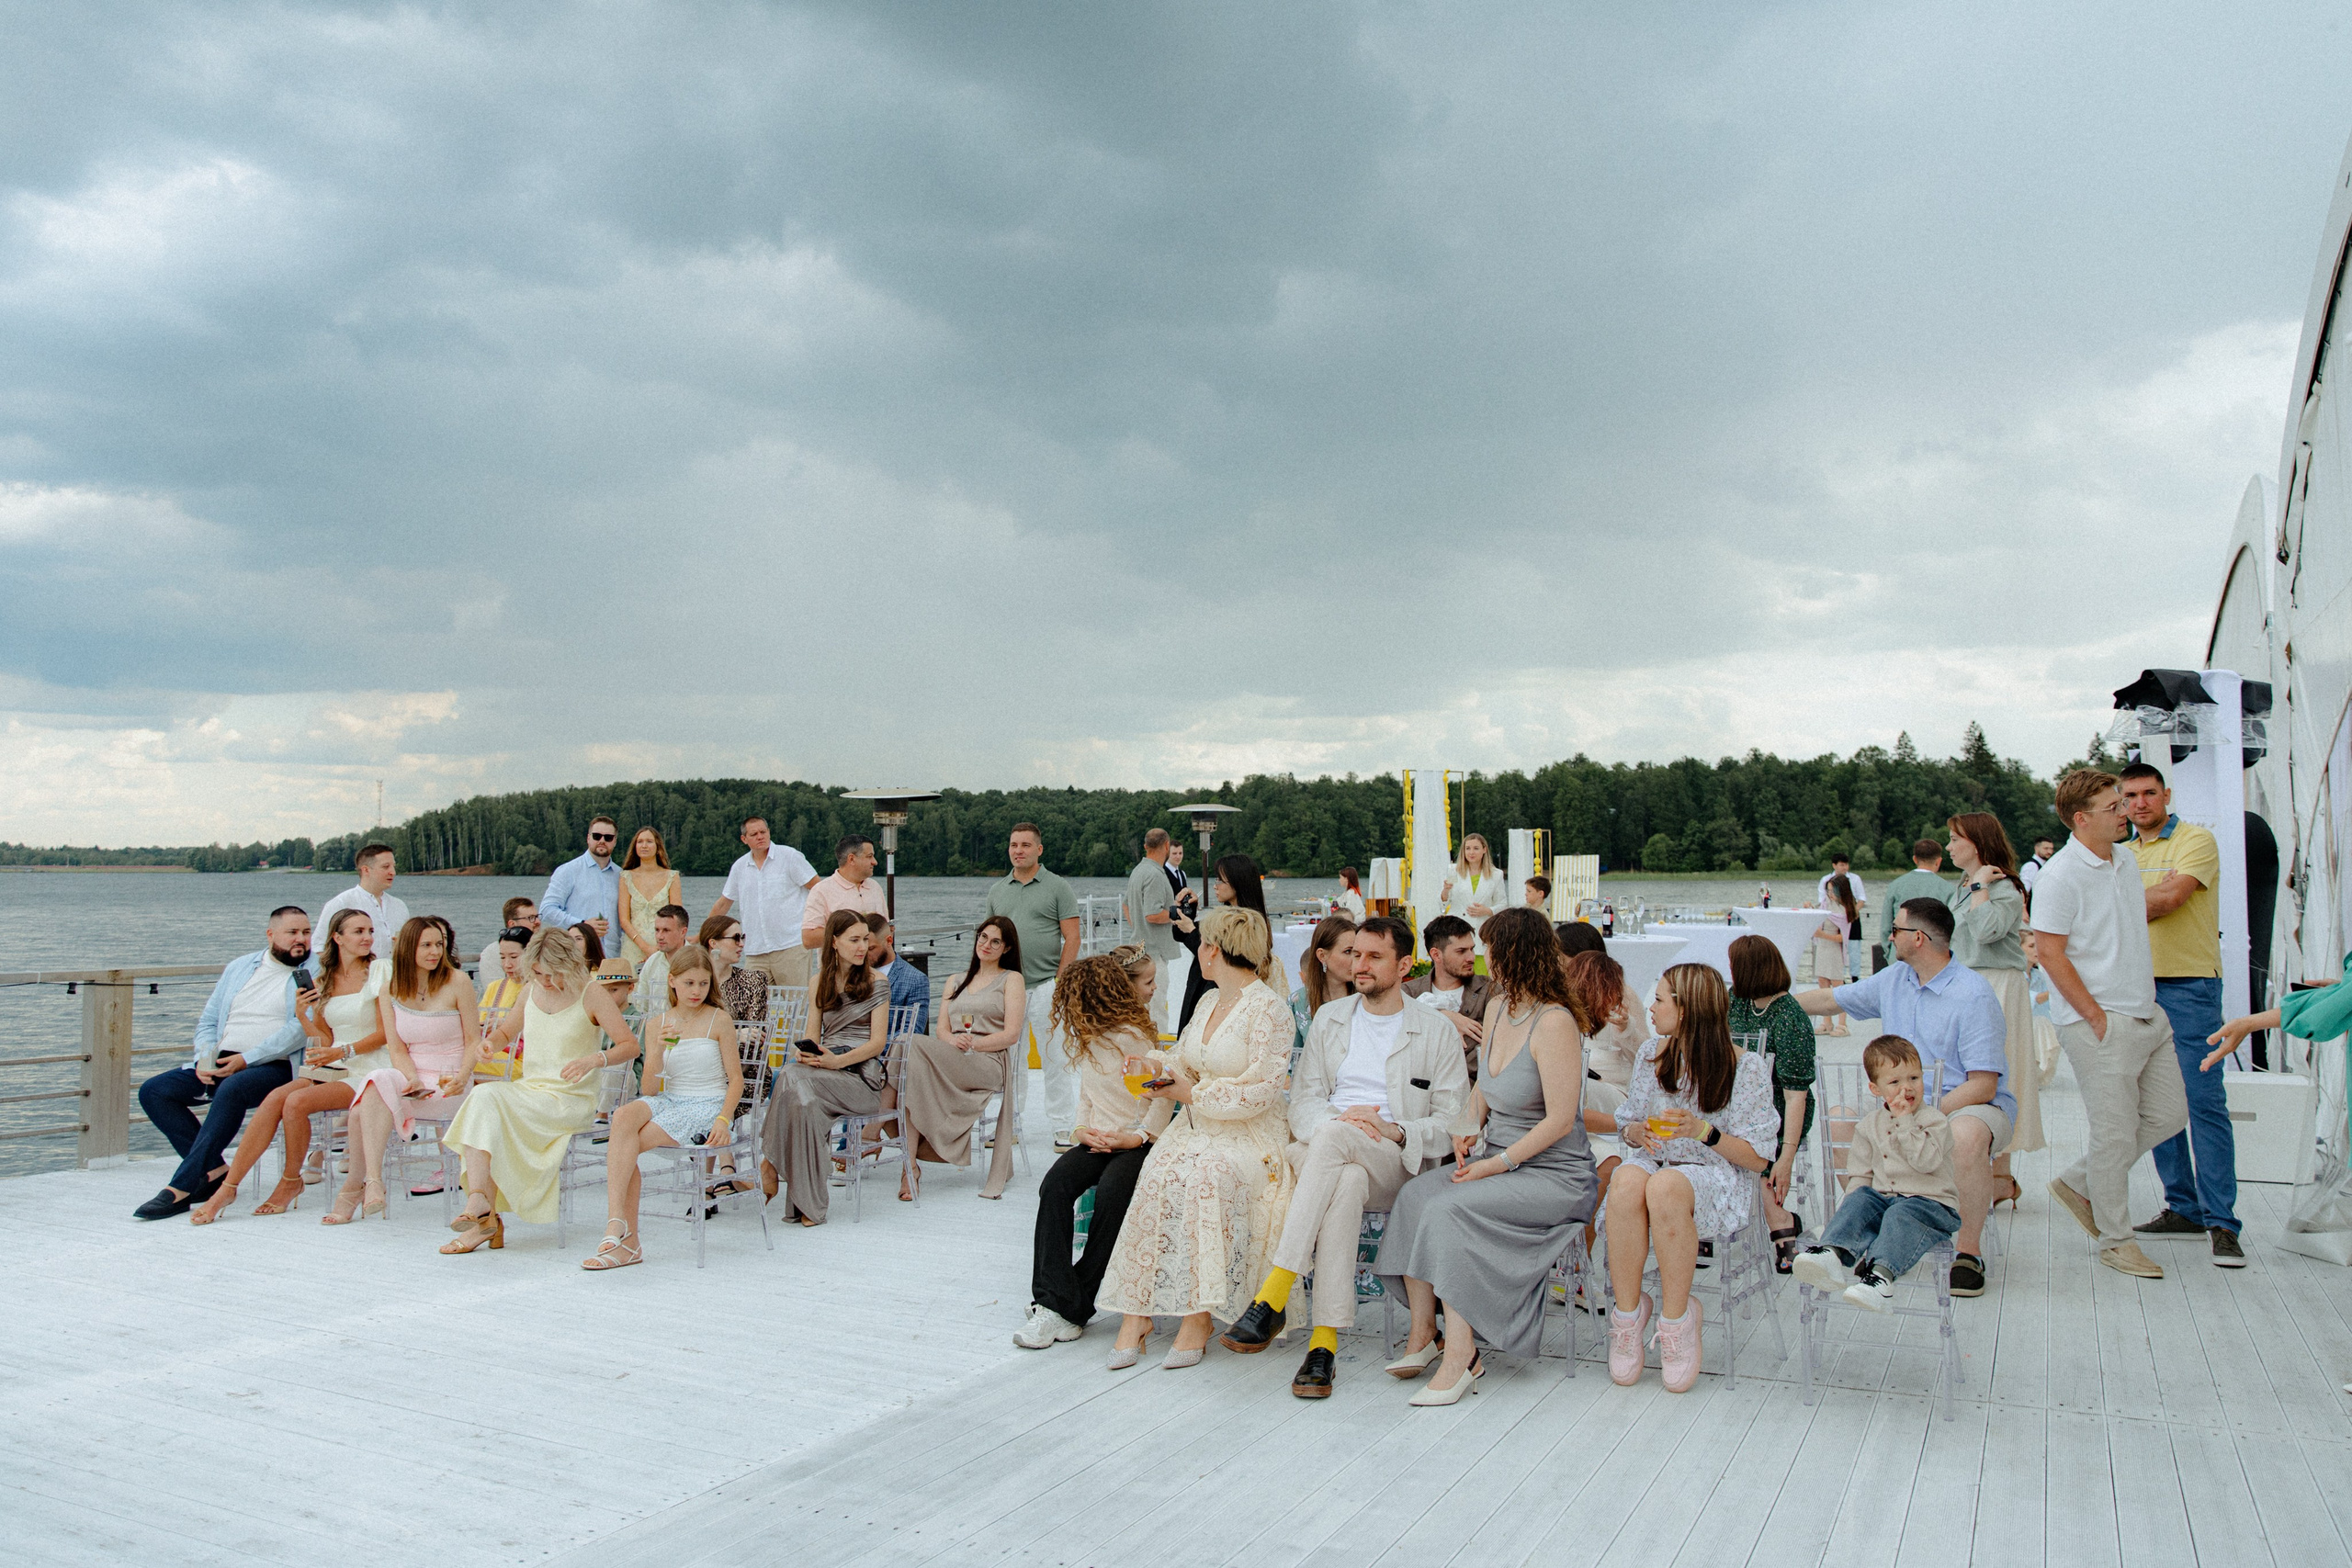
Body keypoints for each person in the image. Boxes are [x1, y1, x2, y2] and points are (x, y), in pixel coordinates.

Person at [1223, 914, 1469, 1400]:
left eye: (1374, 956)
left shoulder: (1435, 1030)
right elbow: (1305, 1103)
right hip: (1333, 1156)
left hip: (1398, 1160)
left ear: (1405, 966)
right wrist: (1339, 1125)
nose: (1360, 964)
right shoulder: (1330, 1020)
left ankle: (1275, 1291)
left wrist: (1392, 1128)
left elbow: (1452, 1122)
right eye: (1356, 954)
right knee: (1347, 1176)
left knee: (1341, 1145)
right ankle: (1323, 1346)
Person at [1375, 907, 1596, 1404]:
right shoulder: (1498, 1008)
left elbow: (1561, 1120)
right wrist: (1465, 1128)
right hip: (1497, 1156)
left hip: (1555, 1174)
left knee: (1450, 1208)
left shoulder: (1555, 1021)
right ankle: (1423, 1335)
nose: (1480, 957)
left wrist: (1496, 1164)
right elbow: (1483, 1092)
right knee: (1414, 1196)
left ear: (1515, 954)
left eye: (1489, 949)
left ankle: (1463, 1355)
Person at [1098, 907, 1295, 1370]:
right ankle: (1137, 1313)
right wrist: (1155, 1067)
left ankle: (1199, 1315)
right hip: (1196, 1128)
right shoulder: (1209, 1001)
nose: (1198, 950)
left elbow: (1264, 1090)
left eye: (1203, 943)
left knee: (1208, 1176)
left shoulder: (1269, 1008)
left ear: (1218, 951)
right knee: (1159, 1172)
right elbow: (1184, 1061)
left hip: (1249, 1135)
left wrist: (1194, 1093)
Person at [1792, 897, 2010, 1295]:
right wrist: (1775, 1004)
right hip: (1900, 1100)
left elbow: (1984, 1083)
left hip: (1966, 1102)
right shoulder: (1895, 978)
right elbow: (1830, 1000)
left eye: (1894, 930)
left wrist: (1922, 1115)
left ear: (1919, 938)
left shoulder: (1973, 994)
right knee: (1842, 1117)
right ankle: (1868, 1232)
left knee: (1963, 1135)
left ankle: (1968, 1253)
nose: (1888, 936)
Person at [2031, 771, 2192, 1280]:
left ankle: (2081, 1181)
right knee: (2114, 1131)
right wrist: (2095, 1017)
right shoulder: (2059, 877)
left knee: (2169, 1114)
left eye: (2123, 803)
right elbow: (2050, 954)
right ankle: (2117, 1242)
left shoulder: (2124, 860)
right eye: (2114, 806)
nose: (2126, 812)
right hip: (2098, 1022)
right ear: (2082, 819)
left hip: (2147, 1012)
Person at [1605, 963, 1780, 1392]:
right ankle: (1627, 1319)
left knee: (1664, 1186)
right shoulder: (1652, 1056)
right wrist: (1636, 1131)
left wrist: (1704, 1131)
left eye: (1660, 999)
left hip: (1716, 1174)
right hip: (1658, 1161)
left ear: (1686, 1009)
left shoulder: (1746, 1068)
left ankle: (1676, 1320)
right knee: (1626, 1180)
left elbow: (1759, 1159)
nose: (1650, 1007)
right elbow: (1626, 1123)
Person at [439, 926, 638, 1253]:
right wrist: (491, 1043)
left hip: (569, 1098)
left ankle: (483, 1218)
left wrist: (594, 1059)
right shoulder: (531, 990)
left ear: (570, 965)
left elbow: (630, 1046)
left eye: (552, 974)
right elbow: (505, 1032)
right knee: (483, 1098)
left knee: (489, 1106)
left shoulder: (592, 993)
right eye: (538, 973)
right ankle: (480, 1205)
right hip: (530, 1091)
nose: (545, 981)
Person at [2117, 761, 2242, 1265]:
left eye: (2149, 793)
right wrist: (2134, 896)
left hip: (2189, 984)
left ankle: (2222, 1223)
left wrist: (2118, 899)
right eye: (2130, 796)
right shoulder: (2120, 853)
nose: (2141, 803)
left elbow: (2170, 898)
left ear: (2165, 795)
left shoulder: (2197, 841)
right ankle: (2183, 1207)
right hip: (2134, 985)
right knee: (2154, 1100)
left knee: (2203, 1100)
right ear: (2121, 804)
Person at [189, 908, 382, 1224]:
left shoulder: (379, 972)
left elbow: (389, 1032)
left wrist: (341, 1052)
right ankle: (228, 1187)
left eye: (369, 931)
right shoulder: (324, 979)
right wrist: (302, 1014)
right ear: (337, 938)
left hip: (370, 1064)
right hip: (335, 1064)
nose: (368, 938)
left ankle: (290, 1182)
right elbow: (323, 1038)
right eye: (358, 931)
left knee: (295, 1102)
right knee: (275, 1098)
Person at [1015, 949, 1160, 1349]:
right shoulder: (1090, 1038)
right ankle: (1057, 1302)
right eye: (1147, 983)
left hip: (1136, 1142)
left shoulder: (1139, 1036)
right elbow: (1087, 1096)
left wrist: (1138, 1137)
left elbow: (1160, 1098)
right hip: (1098, 1138)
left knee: (1114, 1193)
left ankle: (1067, 1306)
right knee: (1055, 1186)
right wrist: (1081, 1130)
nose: (1153, 990)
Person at [134, 906, 315, 1220]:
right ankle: (213, 1170)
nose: (301, 940)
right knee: (155, 1091)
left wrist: (247, 1059)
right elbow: (207, 1021)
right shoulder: (240, 967)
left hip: (276, 1065)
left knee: (232, 1088)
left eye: (306, 933)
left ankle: (182, 1187)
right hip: (221, 1059)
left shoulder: (316, 970)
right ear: (271, 934)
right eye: (293, 933)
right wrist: (203, 1059)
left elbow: (300, 1029)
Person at [581, 945, 744, 1269]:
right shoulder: (658, 1024)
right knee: (625, 1116)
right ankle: (618, 1224)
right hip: (670, 1099)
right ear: (672, 982)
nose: (696, 991)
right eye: (688, 983)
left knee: (624, 1148)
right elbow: (650, 1090)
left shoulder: (719, 1020)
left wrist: (724, 1120)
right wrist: (656, 1050)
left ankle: (625, 1240)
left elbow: (736, 1081)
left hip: (706, 1104)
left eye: (703, 983)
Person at [1791, 1035, 1962, 1313]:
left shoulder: (1934, 1120)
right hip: (1887, 1201)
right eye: (1895, 1082)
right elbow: (1859, 1175)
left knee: (1899, 1214)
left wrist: (1906, 1122)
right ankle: (1832, 1253)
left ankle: (1880, 1278)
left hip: (1933, 1205)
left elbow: (1926, 1161)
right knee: (1860, 1197)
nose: (1907, 1088)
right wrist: (1849, 1215)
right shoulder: (1869, 1125)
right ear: (1876, 1088)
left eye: (1914, 1078)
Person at [341, 915, 480, 1223]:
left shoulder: (457, 981)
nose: (435, 952)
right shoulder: (390, 989)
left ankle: (357, 1186)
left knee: (361, 1109)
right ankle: (374, 1181)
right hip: (413, 1078)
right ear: (408, 948)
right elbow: (396, 1048)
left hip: (451, 1081)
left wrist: (463, 1075)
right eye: (426, 945)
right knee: (376, 1080)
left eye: (439, 945)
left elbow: (474, 1039)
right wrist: (412, 1078)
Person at [759, 908, 891, 1224]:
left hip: (861, 1080)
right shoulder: (818, 981)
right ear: (834, 942)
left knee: (792, 1079)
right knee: (802, 1100)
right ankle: (810, 1206)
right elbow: (812, 1035)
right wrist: (810, 1055)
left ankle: (769, 1165)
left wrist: (836, 1062)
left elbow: (877, 1044)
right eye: (854, 940)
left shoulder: (879, 982)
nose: (862, 947)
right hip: (821, 1075)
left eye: (865, 940)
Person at [1945, 813, 2041, 1196]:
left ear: (1977, 841)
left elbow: (1986, 932)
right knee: (1968, 1071)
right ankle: (1983, 1168)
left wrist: (1983, 885)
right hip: (1968, 983)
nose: (1949, 846)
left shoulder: (2004, 887)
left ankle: (1999, 1174)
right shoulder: (1961, 886)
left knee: (1999, 1072)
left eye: (1955, 839)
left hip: (1998, 983)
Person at [902, 916, 1026, 1201]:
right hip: (955, 1054)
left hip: (989, 1061)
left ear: (1006, 948)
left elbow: (1012, 1034)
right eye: (983, 937)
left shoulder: (1011, 979)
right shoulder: (955, 980)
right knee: (911, 1071)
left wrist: (978, 1044)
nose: (986, 945)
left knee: (908, 1045)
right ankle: (909, 1168)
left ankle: (875, 1128)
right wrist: (952, 1041)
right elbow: (942, 1030)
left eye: (996, 941)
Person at [986, 823, 1082, 1146]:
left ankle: (1062, 1125)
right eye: (1014, 845)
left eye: (1026, 845)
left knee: (1054, 1056)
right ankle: (1009, 1125)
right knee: (1010, 1058)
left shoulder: (1057, 887)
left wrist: (1060, 982)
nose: (1018, 851)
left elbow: (1072, 937)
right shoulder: (998, 891)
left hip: (1046, 985)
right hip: (1007, 985)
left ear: (1039, 850)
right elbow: (989, 940)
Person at [1727, 932, 1815, 1270]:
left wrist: (1787, 1156)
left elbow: (1797, 1097)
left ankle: (1779, 1224)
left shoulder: (1791, 1018)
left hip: (1782, 1108)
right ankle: (1780, 1224)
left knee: (1760, 1147)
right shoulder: (1736, 999)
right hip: (1736, 1102)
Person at [708, 816, 820, 987]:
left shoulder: (790, 856)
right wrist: (705, 934)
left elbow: (818, 889)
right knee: (751, 1007)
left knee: (797, 1006)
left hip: (791, 946)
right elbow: (724, 903)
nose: (760, 837)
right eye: (754, 834)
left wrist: (819, 923)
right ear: (744, 839)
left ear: (769, 832)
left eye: (763, 832)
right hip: (755, 950)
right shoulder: (739, 867)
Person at [1175, 854, 1270, 1034]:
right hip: (1202, 985)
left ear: (1237, 882)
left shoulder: (1248, 921)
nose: (1215, 885)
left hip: (1223, 991)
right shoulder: (1224, 914)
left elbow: (1228, 957)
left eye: (1220, 880)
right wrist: (1187, 913)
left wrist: (1192, 931)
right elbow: (1181, 935)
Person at [1402, 914, 1495, 1072]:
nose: (1471, 958)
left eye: (1472, 949)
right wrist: (1445, 1015)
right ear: (1436, 954)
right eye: (1461, 951)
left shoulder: (1489, 990)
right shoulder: (1409, 992)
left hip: (1471, 1087)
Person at [1123, 829, 1181, 1032]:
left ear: (1146, 846)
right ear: (1167, 846)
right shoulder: (1156, 875)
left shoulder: (1138, 871)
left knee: (1141, 1008)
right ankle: (1158, 1055)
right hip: (1154, 954)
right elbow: (1152, 914)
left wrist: (1137, 927)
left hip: (1139, 950)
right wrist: (1177, 913)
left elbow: (1126, 905)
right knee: (1157, 1011)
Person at [542, 817, 623, 957]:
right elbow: (547, 910)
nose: (602, 841)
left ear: (615, 841)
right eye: (597, 836)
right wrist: (582, 925)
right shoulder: (568, 871)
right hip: (576, 956)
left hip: (612, 956)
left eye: (608, 837)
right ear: (588, 838)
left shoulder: (621, 876)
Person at [317, 844, 409, 958]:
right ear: (366, 870)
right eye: (386, 867)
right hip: (357, 975)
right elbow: (319, 947)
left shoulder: (399, 906)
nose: (393, 872)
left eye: (393, 866)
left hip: (395, 975)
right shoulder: (341, 903)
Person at [802, 834, 889, 953]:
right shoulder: (821, 890)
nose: (875, 862)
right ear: (851, 859)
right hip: (840, 970)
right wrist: (852, 930)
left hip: (876, 968)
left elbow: (886, 930)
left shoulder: (875, 887)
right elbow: (808, 939)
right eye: (869, 857)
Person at [616, 828, 683, 967]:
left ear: (658, 847)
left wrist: (660, 949)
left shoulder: (672, 877)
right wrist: (646, 948)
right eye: (640, 842)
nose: (644, 845)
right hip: (634, 946)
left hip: (665, 946)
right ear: (635, 847)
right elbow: (624, 920)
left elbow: (678, 917)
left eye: (649, 841)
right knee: (633, 987)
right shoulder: (626, 877)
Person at [1290, 914, 1359, 1048]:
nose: (1355, 960)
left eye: (1357, 953)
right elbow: (1292, 1060)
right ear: (1322, 955)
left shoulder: (1366, 1000)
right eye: (1348, 951)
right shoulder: (1298, 1002)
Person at [1879, 840, 1948, 971]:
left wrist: (1889, 954)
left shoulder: (1896, 885)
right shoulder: (1947, 889)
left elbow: (1885, 927)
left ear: (1915, 859)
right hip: (1933, 960)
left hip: (1898, 957)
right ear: (1939, 861)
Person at [1434, 832, 1509, 951]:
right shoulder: (1454, 870)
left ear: (1484, 850)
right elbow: (1443, 904)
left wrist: (1488, 910)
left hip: (1482, 933)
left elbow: (1503, 905)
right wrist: (1445, 890)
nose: (1471, 852)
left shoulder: (1496, 874)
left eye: (1476, 848)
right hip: (1457, 932)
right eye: (1467, 848)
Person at [1811, 868, 1860, 1034]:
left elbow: (1842, 938)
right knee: (1823, 984)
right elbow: (1818, 916)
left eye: (1833, 891)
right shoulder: (1825, 904)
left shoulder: (1845, 909)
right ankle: (1827, 1022)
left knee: (1837, 986)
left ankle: (1843, 1024)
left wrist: (1822, 935)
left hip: (1834, 949)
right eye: (1829, 890)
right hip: (1823, 948)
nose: (1830, 894)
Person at [865, 914, 930, 1034]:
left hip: (888, 1051)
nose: (865, 954)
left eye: (871, 948)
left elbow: (911, 1032)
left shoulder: (916, 980)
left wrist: (870, 1048)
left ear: (889, 941)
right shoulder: (852, 973)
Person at [629, 905, 692, 1016]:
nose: (659, 936)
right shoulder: (651, 962)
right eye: (657, 930)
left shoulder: (698, 961)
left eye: (666, 930)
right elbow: (641, 1005)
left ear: (683, 932)